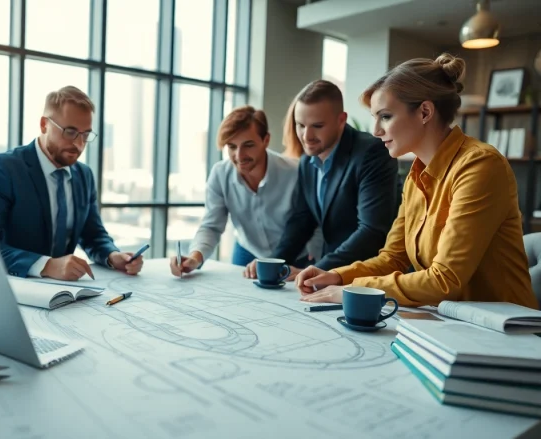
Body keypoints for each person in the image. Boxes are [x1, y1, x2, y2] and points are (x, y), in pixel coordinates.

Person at [296, 54, 538, 309]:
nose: (376, 130)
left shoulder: (480, 166)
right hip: (452, 321)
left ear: (424, 112)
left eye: (385, 116)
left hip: (508, 332)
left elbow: (445, 280)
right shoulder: (415, 177)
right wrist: (337, 275)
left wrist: (352, 289)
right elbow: (392, 258)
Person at [0, 86, 144, 281]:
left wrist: (112, 256)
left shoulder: (84, 175)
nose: (78, 144)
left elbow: (93, 235)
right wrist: (47, 265)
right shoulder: (4, 169)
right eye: (70, 132)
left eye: (85, 135)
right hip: (13, 288)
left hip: (65, 291)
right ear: (44, 125)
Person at [244, 80, 399, 280]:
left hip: (368, 277)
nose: (306, 136)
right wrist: (273, 263)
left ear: (341, 120)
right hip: (332, 276)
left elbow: (371, 231)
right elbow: (302, 220)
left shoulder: (372, 152)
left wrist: (318, 269)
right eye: (300, 125)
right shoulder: (307, 160)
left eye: (317, 126)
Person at [169, 106, 320, 277]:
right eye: (232, 147)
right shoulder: (220, 174)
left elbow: (312, 221)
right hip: (247, 252)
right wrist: (195, 257)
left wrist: (315, 253)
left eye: (248, 145)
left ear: (266, 140)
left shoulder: (295, 172)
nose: (239, 156)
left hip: (294, 255)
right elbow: (211, 226)